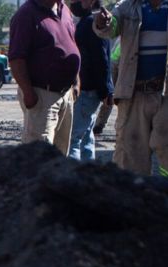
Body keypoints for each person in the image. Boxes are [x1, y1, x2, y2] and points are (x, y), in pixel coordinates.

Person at [94, 0, 168, 177]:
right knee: (130, 154)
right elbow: (109, 29)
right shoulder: (126, 6)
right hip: (134, 95)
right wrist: (101, 22)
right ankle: (137, 200)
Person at [9, 0, 81, 154]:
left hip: (66, 95)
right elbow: (16, 59)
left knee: (60, 158)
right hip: (42, 96)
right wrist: (29, 94)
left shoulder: (64, 10)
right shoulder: (26, 14)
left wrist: (76, 82)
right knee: (38, 159)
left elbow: (71, 44)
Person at [69, 0, 113, 160]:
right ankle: (89, 179)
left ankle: (74, 183)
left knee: (72, 140)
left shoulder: (91, 23)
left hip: (87, 92)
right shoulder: (89, 22)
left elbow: (102, 59)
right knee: (86, 138)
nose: (72, 3)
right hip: (89, 92)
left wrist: (105, 90)